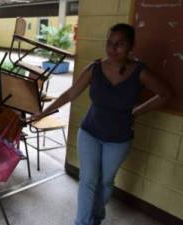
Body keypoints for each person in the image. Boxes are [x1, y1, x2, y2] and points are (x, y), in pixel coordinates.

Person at [28, 23, 171, 225]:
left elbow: (165, 94)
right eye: (110, 43)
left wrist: (136, 113)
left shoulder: (140, 72)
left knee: (105, 182)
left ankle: (96, 217)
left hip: (119, 139)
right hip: (90, 133)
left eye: (119, 44)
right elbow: (70, 93)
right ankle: (83, 222)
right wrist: (42, 113)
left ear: (131, 46)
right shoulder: (95, 68)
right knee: (88, 181)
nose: (113, 48)